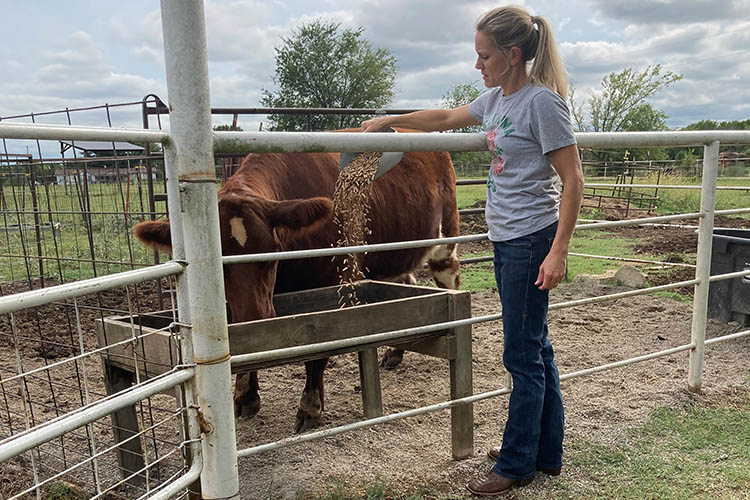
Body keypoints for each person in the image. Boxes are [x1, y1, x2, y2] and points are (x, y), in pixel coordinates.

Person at [361, 5, 583, 497]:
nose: (477, 64)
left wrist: (559, 252)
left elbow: (573, 180)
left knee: (521, 354)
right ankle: (545, 451)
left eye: (484, 55)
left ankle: (517, 461)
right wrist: (390, 121)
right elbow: (444, 117)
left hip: (531, 239)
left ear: (513, 54)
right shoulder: (497, 99)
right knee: (536, 347)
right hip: (509, 239)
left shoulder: (542, 104)